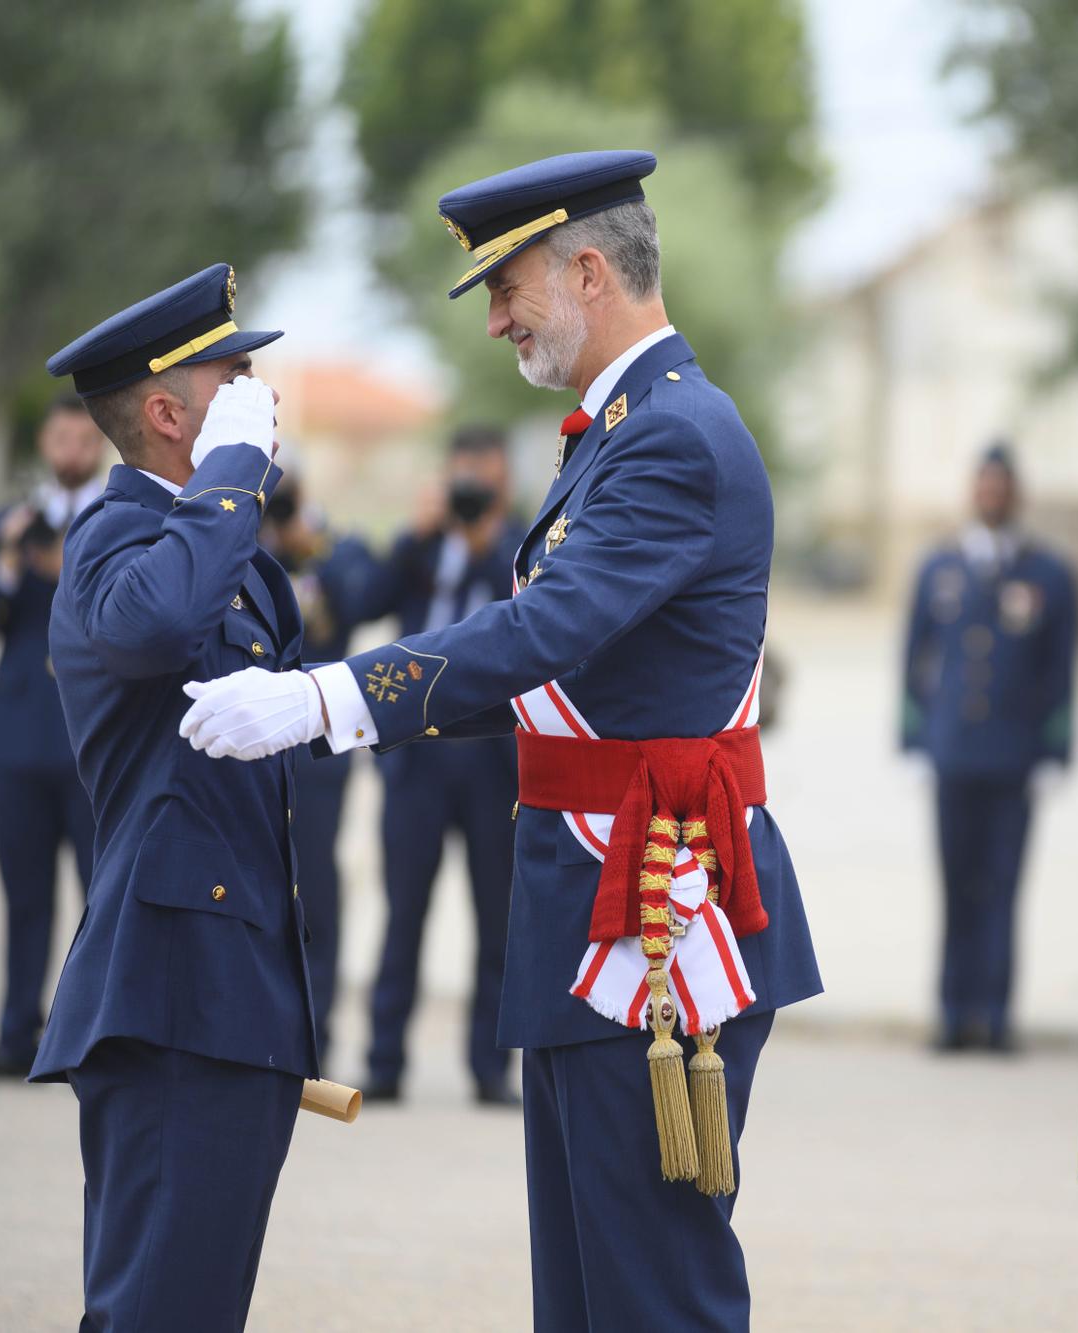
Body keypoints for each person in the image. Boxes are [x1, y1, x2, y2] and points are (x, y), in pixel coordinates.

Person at [180, 151, 821, 1331]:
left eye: (505, 287)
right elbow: (553, 680)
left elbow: (543, 631)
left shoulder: (671, 435)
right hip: (598, 897)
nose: (492, 323)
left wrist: (330, 697)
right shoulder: (621, 431)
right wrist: (336, 710)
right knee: (584, 1291)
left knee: (650, 1289)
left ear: (588, 268)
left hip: (651, 909)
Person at [34, 263, 319, 1328]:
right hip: (171, 998)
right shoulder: (116, 542)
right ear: (167, 413)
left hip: (233, 995)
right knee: (158, 1310)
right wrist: (235, 466)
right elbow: (156, 626)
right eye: (234, 377)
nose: (261, 395)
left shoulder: (222, 545)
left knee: (193, 1306)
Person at [355, 426, 524, 1105]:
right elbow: (363, 600)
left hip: (493, 764)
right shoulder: (421, 543)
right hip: (419, 762)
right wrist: (412, 535)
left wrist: (486, 549)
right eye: (462, 475)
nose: (471, 489)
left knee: (497, 920)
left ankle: (490, 1068)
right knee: (402, 915)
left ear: (504, 480)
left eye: (482, 476)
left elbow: (534, 613)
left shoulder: (521, 542)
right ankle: (384, 1058)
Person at [0, 395, 105, 1080]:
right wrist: (10, 560)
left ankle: (92, 1043)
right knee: (25, 897)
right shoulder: (12, 523)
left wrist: (71, 567)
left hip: (90, 739)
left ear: (98, 444)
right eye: (60, 437)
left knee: (99, 897)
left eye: (82, 438)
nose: (70, 450)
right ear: (44, 442)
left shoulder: (115, 520)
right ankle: (16, 1035)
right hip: (14, 739)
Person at [901, 442, 1078, 1051]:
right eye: (984, 484)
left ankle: (996, 1017)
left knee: (1003, 887)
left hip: (1014, 757)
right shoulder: (940, 568)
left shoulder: (1049, 574)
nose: (992, 494)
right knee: (955, 886)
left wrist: (1056, 752)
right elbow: (914, 659)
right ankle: (953, 1015)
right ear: (972, 491)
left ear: (1015, 493)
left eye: (1002, 484)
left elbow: (1061, 672)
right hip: (953, 753)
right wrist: (913, 737)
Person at [258, 468, 382, 1064]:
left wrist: (313, 554)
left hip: (314, 760)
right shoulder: (239, 540)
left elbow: (362, 598)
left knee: (317, 898)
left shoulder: (335, 549)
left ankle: (316, 1030)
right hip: (252, 756)